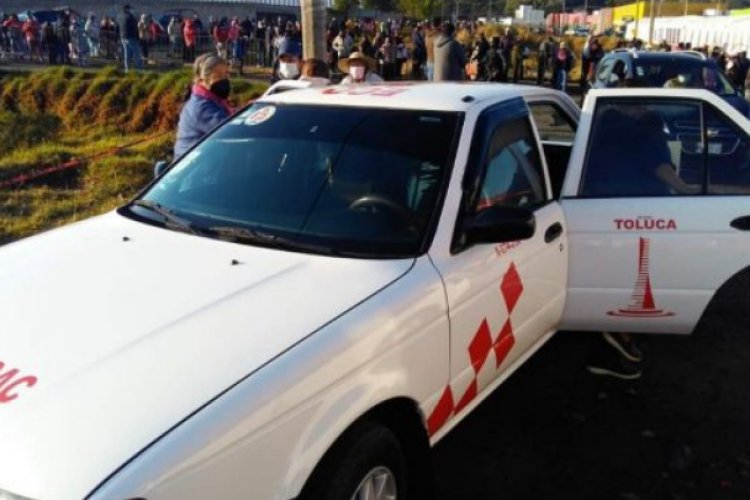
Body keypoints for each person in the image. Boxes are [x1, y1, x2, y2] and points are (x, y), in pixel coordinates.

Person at [174, 54, 233, 158]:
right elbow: (230, 131)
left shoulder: (214, 100)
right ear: (202, 79)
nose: (224, 80)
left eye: (226, 75)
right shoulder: (201, 108)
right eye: (218, 76)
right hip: (193, 167)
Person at [118, 4, 142, 71]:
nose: (131, 10)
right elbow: (135, 27)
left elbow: (118, 27)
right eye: (130, 9)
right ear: (127, 9)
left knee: (126, 54)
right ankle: (139, 69)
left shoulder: (119, 16)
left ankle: (127, 69)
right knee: (136, 53)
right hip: (131, 37)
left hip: (123, 37)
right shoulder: (130, 17)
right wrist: (137, 37)